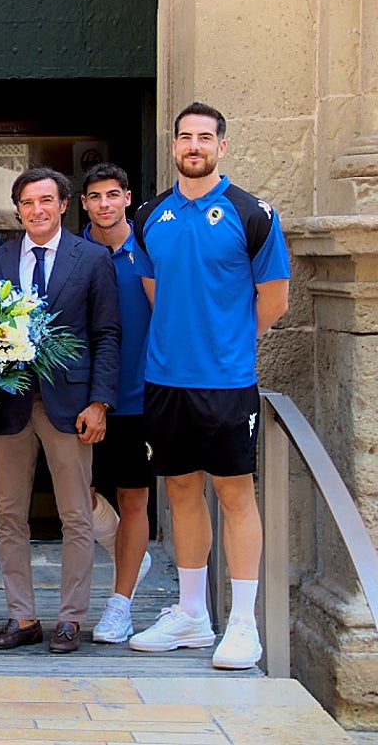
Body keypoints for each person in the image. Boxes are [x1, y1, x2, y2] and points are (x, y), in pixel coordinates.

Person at [128, 103, 290, 670]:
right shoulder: (150, 215)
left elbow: (274, 300)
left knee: (234, 493)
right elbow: (154, 289)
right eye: (184, 137)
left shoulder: (253, 215)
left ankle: (243, 623)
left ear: (222, 146)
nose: (193, 145)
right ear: (173, 146)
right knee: (178, 492)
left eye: (204, 137)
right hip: (165, 378)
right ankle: (192, 614)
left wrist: (225, 342)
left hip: (225, 381)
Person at [0, 166, 120, 654]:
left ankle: (70, 619)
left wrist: (100, 402)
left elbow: (106, 333)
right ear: (16, 209)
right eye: (26, 203)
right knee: (7, 512)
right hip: (9, 404)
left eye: (46, 201)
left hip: (71, 403)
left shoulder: (93, 258)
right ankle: (22, 617)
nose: (36, 211)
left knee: (75, 513)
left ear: (64, 205)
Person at [77, 162, 154, 643]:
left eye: (113, 194)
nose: (104, 204)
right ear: (82, 203)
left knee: (134, 498)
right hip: (81, 400)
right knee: (76, 497)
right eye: (95, 196)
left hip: (139, 397)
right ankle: (126, 548)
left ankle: (120, 604)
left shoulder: (148, 252)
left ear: (127, 198)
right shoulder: (73, 253)